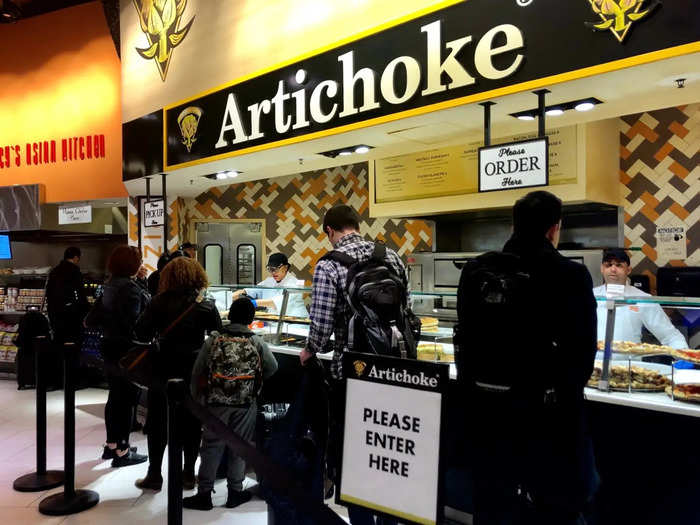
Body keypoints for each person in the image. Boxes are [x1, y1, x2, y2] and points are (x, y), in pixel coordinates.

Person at [457, 191, 598, 525]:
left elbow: (465, 336)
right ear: (554, 228)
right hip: (545, 417)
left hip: (485, 412)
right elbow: (582, 358)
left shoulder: (475, 271)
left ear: (512, 225)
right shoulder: (570, 275)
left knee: (491, 502)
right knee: (552, 508)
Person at [300, 204, 408, 525]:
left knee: (355, 456)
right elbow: (407, 309)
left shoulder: (329, 265)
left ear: (330, 231)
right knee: (386, 451)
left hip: (351, 372)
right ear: (356, 225)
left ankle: (361, 521)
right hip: (393, 372)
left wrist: (309, 351)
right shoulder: (392, 256)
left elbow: (320, 324)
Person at [134, 257, 222, 491]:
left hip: (161, 368)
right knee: (192, 423)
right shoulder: (206, 304)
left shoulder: (158, 302)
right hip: (193, 370)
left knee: (157, 423)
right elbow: (218, 335)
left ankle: (154, 475)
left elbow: (141, 331)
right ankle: (188, 474)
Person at [183, 297, 278, 511]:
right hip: (245, 403)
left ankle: (204, 494)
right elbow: (273, 367)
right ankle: (235, 492)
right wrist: (254, 384)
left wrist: (198, 398)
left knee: (211, 446)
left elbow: (198, 369)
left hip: (215, 402)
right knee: (240, 446)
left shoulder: (215, 339)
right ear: (251, 319)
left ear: (231, 315)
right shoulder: (255, 341)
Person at [85, 246, 149, 467]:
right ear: (133, 264)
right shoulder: (131, 289)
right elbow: (137, 322)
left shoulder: (108, 286)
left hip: (108, 347)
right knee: (126, 399)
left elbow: (90, 320)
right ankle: (122, 450)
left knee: (115, 397)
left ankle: (112, 445)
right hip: (127, 351)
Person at [594, 248, 687, 349]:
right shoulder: (590, 296)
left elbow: (670, 336)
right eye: (608, 265)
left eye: (619, 265)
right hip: (592, 363)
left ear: (628, 270)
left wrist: (684, 356)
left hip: (630, 363)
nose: (613, 269)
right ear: (602, 269)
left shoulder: (643, 299)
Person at [233, 252, 308, 318]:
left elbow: (276, 303)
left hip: (296, 324)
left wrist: (253, 303)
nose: (273, 273)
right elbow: (251, 290)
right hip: (276, 322)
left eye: (276, 269)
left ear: (285, 268)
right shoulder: (269, 281)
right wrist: (235, 294)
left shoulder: (294, 284)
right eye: (270, 269)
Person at [46, 246, 89, 345]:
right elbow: (80, 293)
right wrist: (87, 310)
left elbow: (49, 293)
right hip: (70, 316)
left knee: (59, 343)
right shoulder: (74, 271)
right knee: (72, 345)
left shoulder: (54, 271)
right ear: (76, 258)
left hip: (55, 315)